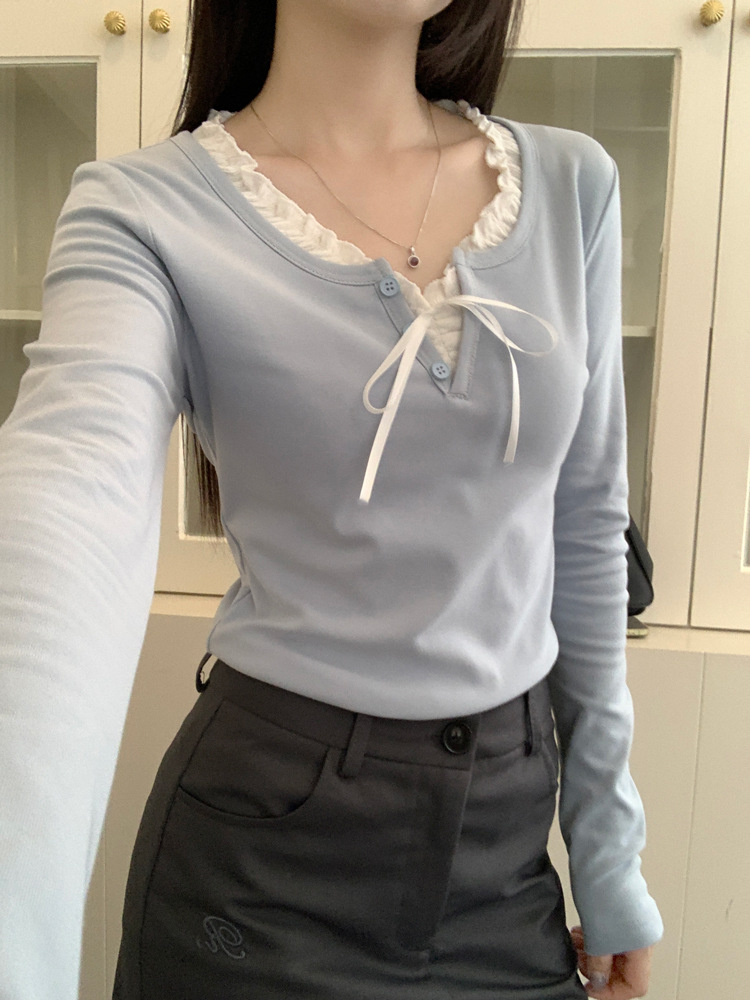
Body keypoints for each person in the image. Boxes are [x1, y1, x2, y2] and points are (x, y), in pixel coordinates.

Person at [0, 1, 664, 998]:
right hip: (260, 866)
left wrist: (609, 857)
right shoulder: (140, 208)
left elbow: (586, 531)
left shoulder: (574, 184)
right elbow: (64, 503)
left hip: (506, 861)